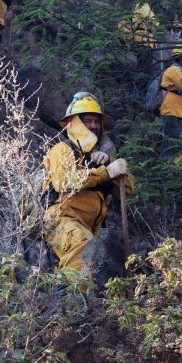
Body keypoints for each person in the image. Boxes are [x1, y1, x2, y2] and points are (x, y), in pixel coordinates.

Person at [43, 92, 134, 291]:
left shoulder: (100, 158)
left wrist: (113, 165)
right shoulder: (62, 149)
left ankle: (80, 308)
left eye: (96, 121)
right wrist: (103, 173)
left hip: (87, 225)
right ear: (73, 123)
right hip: (61, 218)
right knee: (82, 244)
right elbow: (65, 182)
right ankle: (69, 304)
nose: (93, 125)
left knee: (86, 264)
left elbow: (126, 191)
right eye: (87, 121)